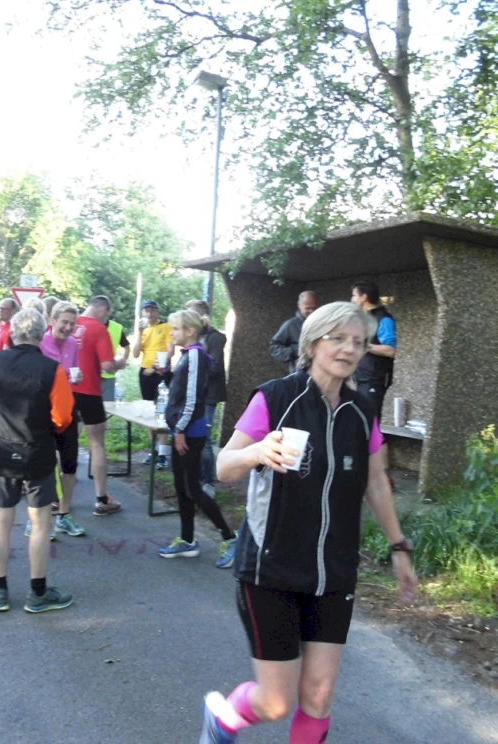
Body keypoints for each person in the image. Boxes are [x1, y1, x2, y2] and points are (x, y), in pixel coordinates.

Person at [199, 302, 418, 744]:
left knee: (318, 696)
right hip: (270, 566)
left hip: (334, 571)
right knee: (275, 703)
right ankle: (223, 720)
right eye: (337, 338)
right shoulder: (275, 397)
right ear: (313, 342)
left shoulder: (362, 410)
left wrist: (399, 548)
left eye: (357, 342)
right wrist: (257, 452)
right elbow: (223, 466)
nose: (349, 349)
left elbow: (376, 482)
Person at [0, 308, 76, 614]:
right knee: (39, 523)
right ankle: (37, 591)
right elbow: (62, 416)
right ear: (40, 334)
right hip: (38, 452)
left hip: (2, 451)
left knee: (1, 521)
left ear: (13, 332)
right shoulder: (52, 369)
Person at [158, 310, 237, 568]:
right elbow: (176, 391)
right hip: (182, 430)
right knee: (182, 488)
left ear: (189, 331)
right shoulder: (187, 356)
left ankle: (229, 537)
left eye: (176, 330)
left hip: (190, 433)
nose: (172, 334)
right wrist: (167, 365)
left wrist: (179, 429)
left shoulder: (195, 356)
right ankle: (188, 539)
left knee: (193, 488)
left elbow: (192, 399)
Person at [72, 295, 127, 515]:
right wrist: (120, 363)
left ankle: (57, 497)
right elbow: (107, 366)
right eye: (108, 315)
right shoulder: (98, 329)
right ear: (104, 310)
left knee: (64, 442)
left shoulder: (67, 322)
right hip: (89, 391)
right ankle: (101, 499)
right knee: (96, 443)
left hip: (65, 391)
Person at [37, 300, 85, 539]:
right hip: (43, 411)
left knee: (69, 463)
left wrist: (77, 378)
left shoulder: (73, 344)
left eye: (72, 324)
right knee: (43, 465)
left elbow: (73, 374)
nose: (68, 327)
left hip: (66, 409)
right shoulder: (40, 343)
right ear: (52, 321)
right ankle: (36, 519)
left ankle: (64, 516)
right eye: (64, 322)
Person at [351, 282, 397, 484]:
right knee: (365, 424)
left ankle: (384, 478)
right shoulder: (365, 319)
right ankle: (368, 472)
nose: (352, 299)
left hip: (375, 379)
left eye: (354, 295)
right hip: (362, 379)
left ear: (363, 297)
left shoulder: (384, 319)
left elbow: (390, 349)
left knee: (371, 424)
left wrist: (366, 345)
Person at [185, 300, 226, 498]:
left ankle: (209, 483)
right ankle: (196, 479)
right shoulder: (193, 335)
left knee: (205, 440)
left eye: (190, 315)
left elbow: (215, 367)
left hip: (208, 395)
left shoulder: (215, 337)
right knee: (192, 437)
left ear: (202, 317)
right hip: (193, 393)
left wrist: (193, 370)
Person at [132, 299, 173, 468]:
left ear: (157, 311)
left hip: (161, 372)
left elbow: (170, 350)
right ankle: (154, 451)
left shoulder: (165, 327)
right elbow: (135, 354)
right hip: (144, 373)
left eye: (152, 310)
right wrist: (139, 333)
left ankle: (163, 454)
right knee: (150, 411)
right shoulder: (143, 329)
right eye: (146, 311)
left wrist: (156, 366)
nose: (149, 314)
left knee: (161, 412)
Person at [268, 291, 319, 373]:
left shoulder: (324, 324)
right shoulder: (290, 325)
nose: (311, 311)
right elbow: (273, 348)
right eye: (307, 308)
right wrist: (296, 351)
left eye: (314, 308)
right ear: (299, 305)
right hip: (300, 374)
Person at [101, 312, 131, 402]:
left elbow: (127, 348)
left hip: (108, 375)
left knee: (107, 409)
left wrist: (121, 363)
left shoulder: (116, 328)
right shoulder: (88, 325)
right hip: (90, 376)